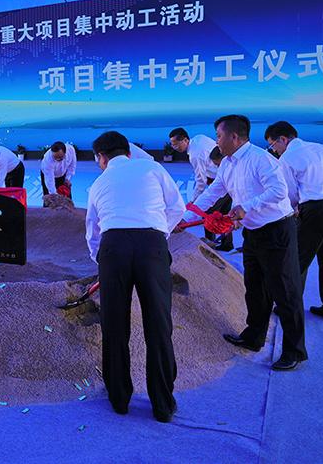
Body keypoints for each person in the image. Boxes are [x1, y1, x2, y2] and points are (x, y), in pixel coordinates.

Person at [187, 114, 307, 371]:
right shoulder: (227, 164)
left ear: (234, 136)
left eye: (218, 136)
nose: (216, 141)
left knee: (285, 291)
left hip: (277, 230)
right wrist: (185, 217)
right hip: (253, 232)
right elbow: (213, 192)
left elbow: (278, 191)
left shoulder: (260, 159)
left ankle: (294, 350)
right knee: (254, 288)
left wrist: (246, 207)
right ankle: (254, 336)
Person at [86, 131, 185, 423]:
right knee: (159, 324)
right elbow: (177, 207)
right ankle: (163, 404)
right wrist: (158, 235)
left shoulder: (99, 183)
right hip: (152, 246)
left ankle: (119, 398)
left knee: (114, 325)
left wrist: (101, 259)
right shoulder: (152, 167)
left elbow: (92, 231)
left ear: (101, 158)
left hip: (113, 248)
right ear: (128, 152)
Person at [265, 121, 323, 322]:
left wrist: (295, 209)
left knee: (297, 259)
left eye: (272, 145)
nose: (274, 150)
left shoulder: (287, 158)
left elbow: (289, 193)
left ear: (283, 139)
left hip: (316, 211)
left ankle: (290, 307)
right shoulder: (320, 147)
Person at [169, 128, 216, 203]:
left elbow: (201, 180)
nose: (174, 148)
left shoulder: (195, 155)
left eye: (176, 145)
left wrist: (193, 200)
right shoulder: (199, 137)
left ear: (185, 140)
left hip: (218, 177)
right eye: (172, 145)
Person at [204, 146, 234, 251]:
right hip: (225, 190)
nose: (218, 167)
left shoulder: (230, 165)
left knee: (208, 213)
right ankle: (226, 244)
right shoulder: (225, 166)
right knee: (225, 214)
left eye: (218, 164)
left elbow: (200, 179)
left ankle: (210, 243)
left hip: (226, 191)